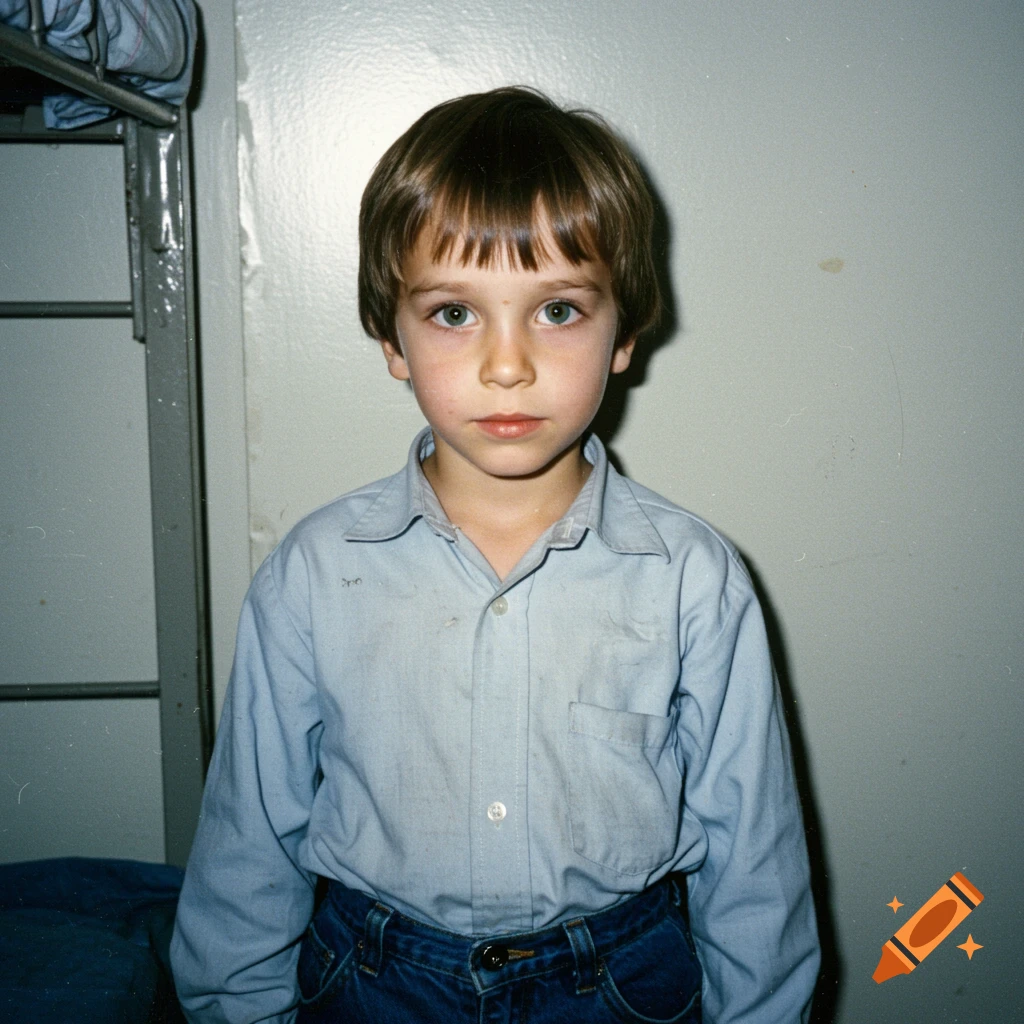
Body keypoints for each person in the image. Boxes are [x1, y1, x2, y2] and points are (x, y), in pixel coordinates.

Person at [171, 86, 820, 1024]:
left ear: (625, 332)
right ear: (391, 336)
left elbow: (754, 848)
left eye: (557, 310)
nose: (507, 364)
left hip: (622, 987)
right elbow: (249, 834)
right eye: (453, 314)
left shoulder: (693, 577)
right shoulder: (317, 572)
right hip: (373, 982)